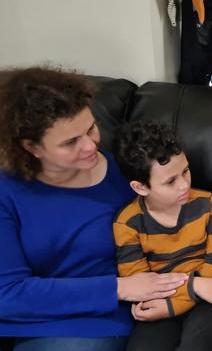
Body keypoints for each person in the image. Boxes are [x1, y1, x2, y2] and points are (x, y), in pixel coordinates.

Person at [0, 67, 187, 351]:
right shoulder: (7, 190)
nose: (90, 145)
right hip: (19, 318)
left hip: (93, 322)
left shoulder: (126, 175)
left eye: (90, 128)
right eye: (70, 142)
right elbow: (7, 294)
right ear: (32, 147)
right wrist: (119, 287)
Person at [112, 121, 212, 351]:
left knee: (198, 343)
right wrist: (195, 286)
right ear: (140, 188)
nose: (184, 185)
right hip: (175, 296)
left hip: (207, 297)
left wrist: (173, 305)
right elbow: (140, 284)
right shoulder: (127, 223)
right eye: (170, 181)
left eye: (186, 171)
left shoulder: (208, 203)